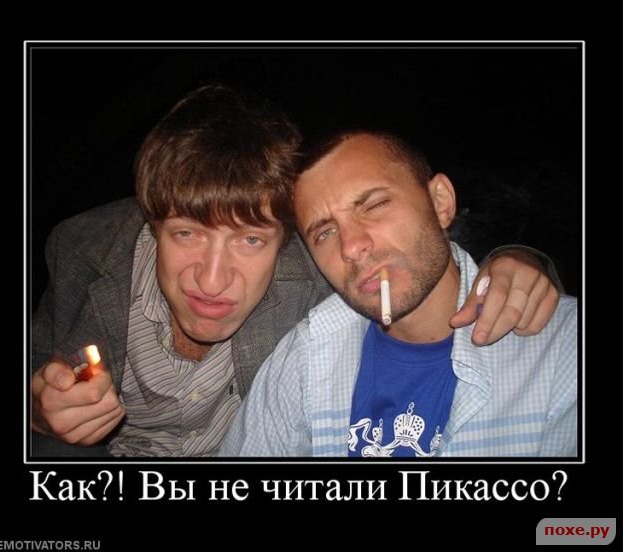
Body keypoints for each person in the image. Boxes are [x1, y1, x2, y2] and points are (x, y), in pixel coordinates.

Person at [32, 86, 562, 457]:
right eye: (186, 233)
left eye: (251, 239)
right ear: (152, 222)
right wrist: (37, 415)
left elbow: (415, 255)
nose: (211, 281)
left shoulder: (315, 277)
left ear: (284, 239)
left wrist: (520, 259)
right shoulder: (81, 251)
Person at [219, 130, 576, 457]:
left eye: (374, 206)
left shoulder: (564, 352)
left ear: (440, 202)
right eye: (325, 233)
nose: (351, 247)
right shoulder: (305, 355)